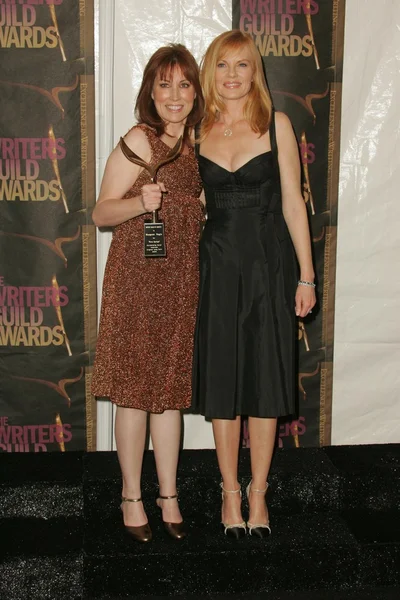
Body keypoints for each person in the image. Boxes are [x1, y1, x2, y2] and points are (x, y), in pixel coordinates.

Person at [191, 30, 316, 539]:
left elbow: (293, 203)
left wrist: (306, 275)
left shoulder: (276, 124)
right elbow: (189, 205)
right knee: (224, 384)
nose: (233, 75)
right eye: (224, 65)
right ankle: (228, 491)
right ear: (211, 73)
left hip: (269, 267)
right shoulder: (196, 131)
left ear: (255, 72)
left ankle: (258, 491)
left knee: (264, 385)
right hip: (217, 270)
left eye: (243, 65)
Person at [92, 44, 204, 543]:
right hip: (137, 282)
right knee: (135, 396)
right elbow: (99, 213)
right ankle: (131, 495)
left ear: (196, 91)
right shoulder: (141, 139)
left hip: (180, 282)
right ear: (151, 91)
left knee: (169, 397)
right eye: (165, 84)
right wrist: (140, 201)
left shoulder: (202, 144)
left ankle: (168, 494)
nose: (174, 95)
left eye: (183, 84)